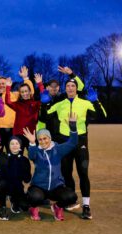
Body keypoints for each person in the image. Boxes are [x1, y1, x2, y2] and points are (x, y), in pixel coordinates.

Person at [46, 78, 106, 219]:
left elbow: (102, 115)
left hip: (80, 142)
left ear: (76, 88)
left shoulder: (85, 103)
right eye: (68, 86)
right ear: (65, 88)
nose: (71, 88)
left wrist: (95, 101)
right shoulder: (60, 104)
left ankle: (86, 206)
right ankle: (70, 199)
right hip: (64, 142)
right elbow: (44, 116)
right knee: (67, 173)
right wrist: (45, 103)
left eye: (73, 86)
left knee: (83, 173)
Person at [23, 114, 79, 221]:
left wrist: (73, 126)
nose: (43, 141)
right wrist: (32, 142)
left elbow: (73, 143)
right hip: (39, 187)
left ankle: (57, 207)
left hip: (56, 187)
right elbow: (31, 155)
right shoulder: (37, 151)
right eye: (40, 139)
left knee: (71, 197)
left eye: (45, 138)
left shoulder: (58, 149)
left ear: (50, 138)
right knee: (34, 197)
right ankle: (33, 208)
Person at [4, 69, 43, 153]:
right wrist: (8, 87)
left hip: (31, 135)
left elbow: (45, 99)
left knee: (36, 157)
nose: (24, 93)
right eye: (22, 92)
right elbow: (7, 101)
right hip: (18, 134)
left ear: (29, 92)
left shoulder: (36, 103)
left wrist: (40, 84)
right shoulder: (18, 104)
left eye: (26, 91)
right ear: (20, 94)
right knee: (17, 157)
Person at [0, 136, 31, 221]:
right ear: (8, 145)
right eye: (12, 143)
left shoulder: (24, 159)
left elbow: (27, 179)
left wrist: (22, 163)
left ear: (20, 146)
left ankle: (14, 200)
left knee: (25, 207)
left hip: (18, 187)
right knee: (1, 184)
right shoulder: (3, 157)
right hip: (5, 186)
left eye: (17, 143)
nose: (14, 146)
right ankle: (3, 207)